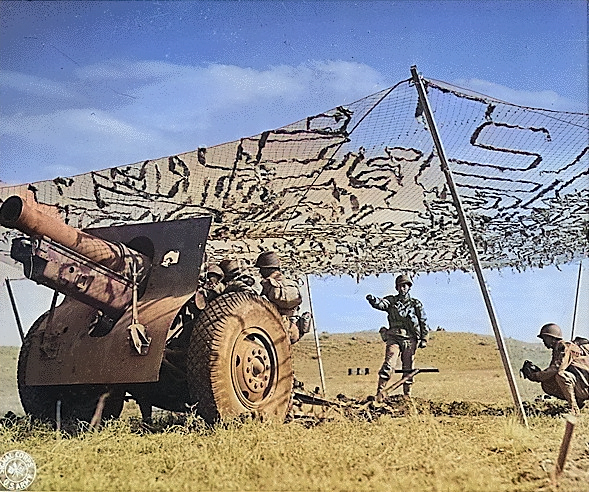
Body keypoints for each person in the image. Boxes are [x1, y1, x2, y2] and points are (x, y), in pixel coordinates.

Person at [366, 274, 428, 398]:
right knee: (389, 364)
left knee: (408, 368)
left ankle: (407, 396)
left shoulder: (415, 304)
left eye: (405, 285)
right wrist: (373, 300)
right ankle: (379, 392)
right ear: (397, 288)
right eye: (400, 286)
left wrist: (424, 338)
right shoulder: (391, 301)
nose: (402, 288)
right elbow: (382, 304)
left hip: (410, 339)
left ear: (409, 287)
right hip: (394, 337)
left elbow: (423, 321)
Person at [522, 323, 589, 415]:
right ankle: (578, 402)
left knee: (561, 376)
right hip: (582, 385)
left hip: (585, 387)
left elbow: (557, 368)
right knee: (547, 383)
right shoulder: (558, 348)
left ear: (551, 338)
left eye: (544, 338)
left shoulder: (564, 346)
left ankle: (574, 409)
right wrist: (541, 374)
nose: (543, 341)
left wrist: (536, 376)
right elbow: (552, 371)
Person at [255, 251, 311, 344]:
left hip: (276, 329)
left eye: (261, 269)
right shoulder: (292, 282)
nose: (260, 272)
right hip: (294, 330)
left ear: (267, 269)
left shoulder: (267, 284)